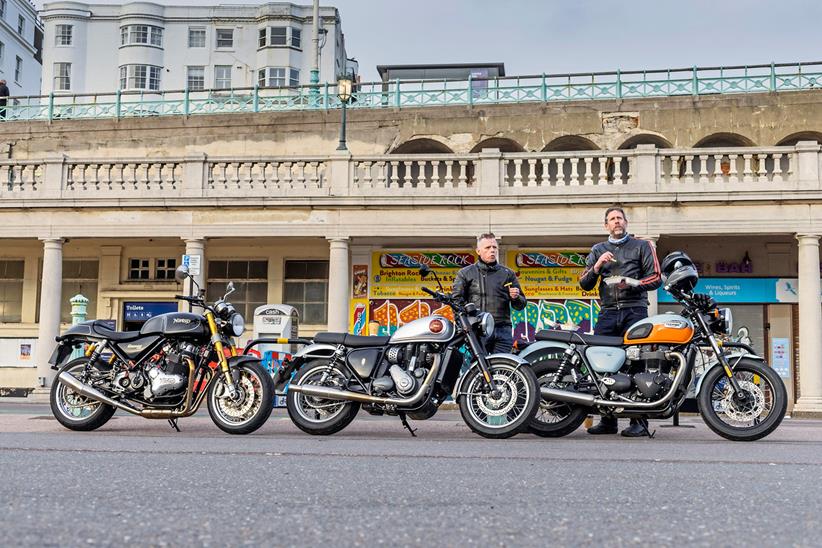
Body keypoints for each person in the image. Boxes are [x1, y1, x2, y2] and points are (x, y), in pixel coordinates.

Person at [579, 206, 662, 437]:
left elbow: (656, 277)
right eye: (612, 219)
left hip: (634, 310)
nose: (616, 222)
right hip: (607, 312)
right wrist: (596, 267)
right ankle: (608, 420)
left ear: (626, 222)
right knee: (602, 364)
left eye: (619, 218)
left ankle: (639, 422)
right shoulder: (598, 249)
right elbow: (584, 283)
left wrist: (633, 283)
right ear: (606, 225)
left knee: (636, 363)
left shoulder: (642, 246)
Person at [452, 232, 526, 353]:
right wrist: (465, 326)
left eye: (494, 247)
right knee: (478, 368)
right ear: (478, 251)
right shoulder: (465, 273)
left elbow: (521, 305)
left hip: (503, 330)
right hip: (478, 329)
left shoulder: (508, 273)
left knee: (502, 368)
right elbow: (456, 301)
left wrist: (516, 297)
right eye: (487, 247)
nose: (492, 250)